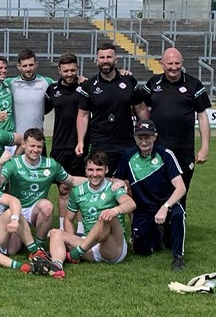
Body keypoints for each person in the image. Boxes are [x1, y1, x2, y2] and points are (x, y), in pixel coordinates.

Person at [0, 128, 87, 253]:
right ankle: (24, 237)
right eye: (32, 146)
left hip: (36, 210)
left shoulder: (50, 165)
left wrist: (102, 180)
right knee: (12, 251)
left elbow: (72, 181)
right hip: (17, 209)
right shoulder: (14, 163)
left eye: (39, 147)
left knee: (47, 206)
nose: (35, 150)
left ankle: (39, 245)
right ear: (23, 145)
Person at [46, 152, 136, 278]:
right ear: (85, 171)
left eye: (99, 170)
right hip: (90, 245)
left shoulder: (113, 187)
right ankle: (57, 266)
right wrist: (70, 240)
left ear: (106, 170)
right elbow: (68, 219)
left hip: (112, 248)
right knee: (55, 232)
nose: (95, 174)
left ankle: (74, 254)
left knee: (106, 216)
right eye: (91, 170)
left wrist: (114, 210)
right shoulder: (78, 191)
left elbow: (130, 204)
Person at [114, 120, 188, 271]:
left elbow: (181, 188)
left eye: (147, 137)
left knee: (178, 215)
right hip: (143, 209)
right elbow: (117, 178)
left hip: (167, 204)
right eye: (140, 137)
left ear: (155, 136)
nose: (144, 141)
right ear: (135, 138)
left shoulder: (166, 155)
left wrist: (165, 207)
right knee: (141, 250)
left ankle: (178, 257)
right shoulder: (128, 156)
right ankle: (157, 235)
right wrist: (120, 183)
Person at [142, 47, 210, 208]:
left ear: (182, 63)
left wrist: (205, 147)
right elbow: (140, 107)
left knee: (181, 190)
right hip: (157, 148)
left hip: (183, 149)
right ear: (162, 64)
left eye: (177, 63)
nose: (174, 67)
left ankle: (178, 228)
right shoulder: (153, 83)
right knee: (157, 190)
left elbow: (202, 116)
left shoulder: (194, 84)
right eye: (170, 63)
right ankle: (159, 228)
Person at [76, 42, 149, 174]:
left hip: (126, 143)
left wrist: (147, 131)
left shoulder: (129, 81)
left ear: (116, 60)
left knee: (128, 184)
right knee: (100, 183)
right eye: (102, 58)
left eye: (109, 57)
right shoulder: (89, 85)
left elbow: (141, 109)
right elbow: (83, 115)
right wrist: (80, 141)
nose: (105, 61)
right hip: (100, 144)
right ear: (96, 60)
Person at [44, 53, 87, 229]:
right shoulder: (52, 89)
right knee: (63, 189)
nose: (69, 73)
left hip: (80, 144)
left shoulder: (86, 86)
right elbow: (42, 111)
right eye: (65, 70)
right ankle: (62, 227)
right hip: (60, 145)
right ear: (59, 70)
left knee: (81, 189)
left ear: (77, 68)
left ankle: (82, 229)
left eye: (72, 70)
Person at [9, 49, 52, 135]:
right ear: (18, 66)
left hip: (37, 138)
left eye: (31, 65)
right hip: (17, 138)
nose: (28, 69)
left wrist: (79, 79)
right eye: (25, 66)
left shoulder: (47, 82)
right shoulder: (10, 83)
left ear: (36, 64)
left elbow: (65, 85)